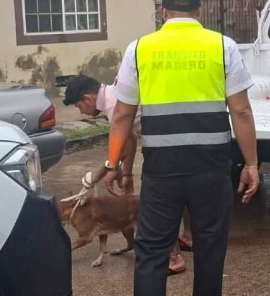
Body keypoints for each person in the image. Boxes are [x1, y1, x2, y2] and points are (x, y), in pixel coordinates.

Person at [102, 0, 260, 296]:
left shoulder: (140, 49)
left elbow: (121, 115)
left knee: (151, 253)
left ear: (164, 13)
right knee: (210, 250)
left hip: (162, 171)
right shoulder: (222, 46)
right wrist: (251, 164)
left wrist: (112, 162)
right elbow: (241, 112)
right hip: (212, 169)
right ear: (199, 11)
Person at [63, 75, 193, 275]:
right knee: (180, 190)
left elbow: (125, 138)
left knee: (159, 200)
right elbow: (130, 138)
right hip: (176, 137)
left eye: (79, 106)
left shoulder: (113, 105)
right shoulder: (114, 96)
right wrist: (126, 173)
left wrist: (107, 170)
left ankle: (174, 258)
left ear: (88, 99)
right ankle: (189, 236)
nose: (82, 111)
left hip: (166, 142)